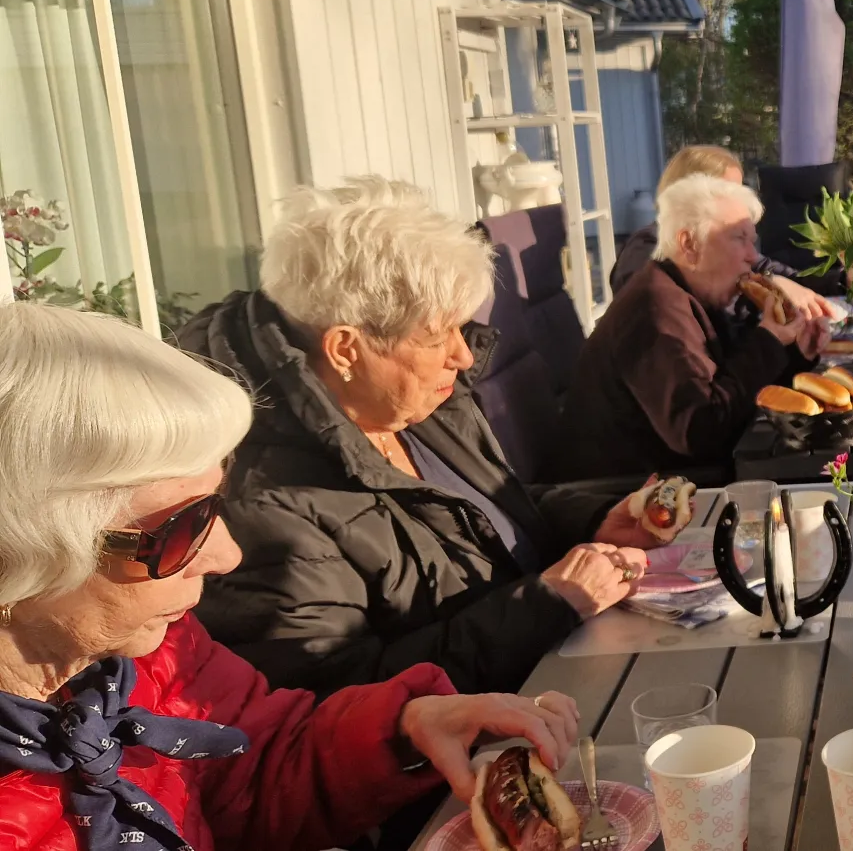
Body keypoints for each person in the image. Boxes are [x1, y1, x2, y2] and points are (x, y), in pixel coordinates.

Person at [0, 302, 584, 851]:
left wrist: (406, 732)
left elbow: (248, 770)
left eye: (215, 506)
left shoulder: (152, 650)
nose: (226, 555)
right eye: (183, 527)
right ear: (21, 554)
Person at [177, 179, 669, 698]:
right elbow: (338, 700)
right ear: (346, 350)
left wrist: (593, 519)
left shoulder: (407, 399)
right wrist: (546, 605)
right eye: (437, 336)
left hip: (555, 675)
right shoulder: (266, 504)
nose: (461, 355)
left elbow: (476, 519)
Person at [550, 175, 829, 483]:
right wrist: (768, 342)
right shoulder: (654, 311)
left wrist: (796, 352)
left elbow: (735, 389)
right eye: (739, 238)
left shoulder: (691, 295)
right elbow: (701, 431)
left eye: (753, 241)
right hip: (628, 500)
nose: (753, 257)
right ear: (689, 245)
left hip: (674, 479)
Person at [608, 144, 830, 318]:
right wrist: (769, 286)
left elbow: (770, 269)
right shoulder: (647, 248)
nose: (740, 201)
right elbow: (668, 315)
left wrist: (841, 279)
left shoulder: (721, 241)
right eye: (729, 191)